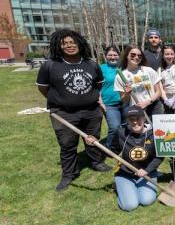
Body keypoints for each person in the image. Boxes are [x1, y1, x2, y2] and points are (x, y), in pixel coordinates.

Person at [36, 29, 111, 192]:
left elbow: (98, 84)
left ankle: (96, 162)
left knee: (93, 139)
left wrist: (87, 98)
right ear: (59, 46)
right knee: (67, 144)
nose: (69, 45)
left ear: (79, 43)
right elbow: (43, 88)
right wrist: (62, 100)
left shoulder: (91, 64)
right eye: (65, 43)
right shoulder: (50, 65)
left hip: (91, 111)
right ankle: (69, 174)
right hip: (63, 114)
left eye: (72, 42)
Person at [86, 105, 163, 212]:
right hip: (125, 174)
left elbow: (159, 157)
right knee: (130, 205)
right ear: (127, 120)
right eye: (131, 119)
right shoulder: (122, 133)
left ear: (143, 118)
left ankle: (132, 188)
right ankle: (122, 185)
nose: (135, 122)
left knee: (147, 200)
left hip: (147, 173)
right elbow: (112, 152)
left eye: (137, 118)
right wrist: (96, 144)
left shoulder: (154, 134)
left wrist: (147, 170)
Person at [114, 46, 165, 119]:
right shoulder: (120, 76)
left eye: (139, 56)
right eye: (133, 55)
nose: (136, 57)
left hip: (154, 105)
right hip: (136, 108)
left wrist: (147, 102)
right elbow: (124, 100)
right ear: (126, 56)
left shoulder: (148, 70)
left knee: (158, 130)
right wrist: (127, 93)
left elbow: (158, 92)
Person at [99, 46, 125, 149]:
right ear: (105, 56)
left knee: (125, 126)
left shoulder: (123, 67)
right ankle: (109, 147)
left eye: (115, 55)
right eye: (110, 55)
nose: (112, 57)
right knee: (114, 127)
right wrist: (100, 103)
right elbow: (96, 87)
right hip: (109, 104)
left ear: (119, 56)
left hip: (125, 102)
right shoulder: (101, 68)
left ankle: (123, 145)